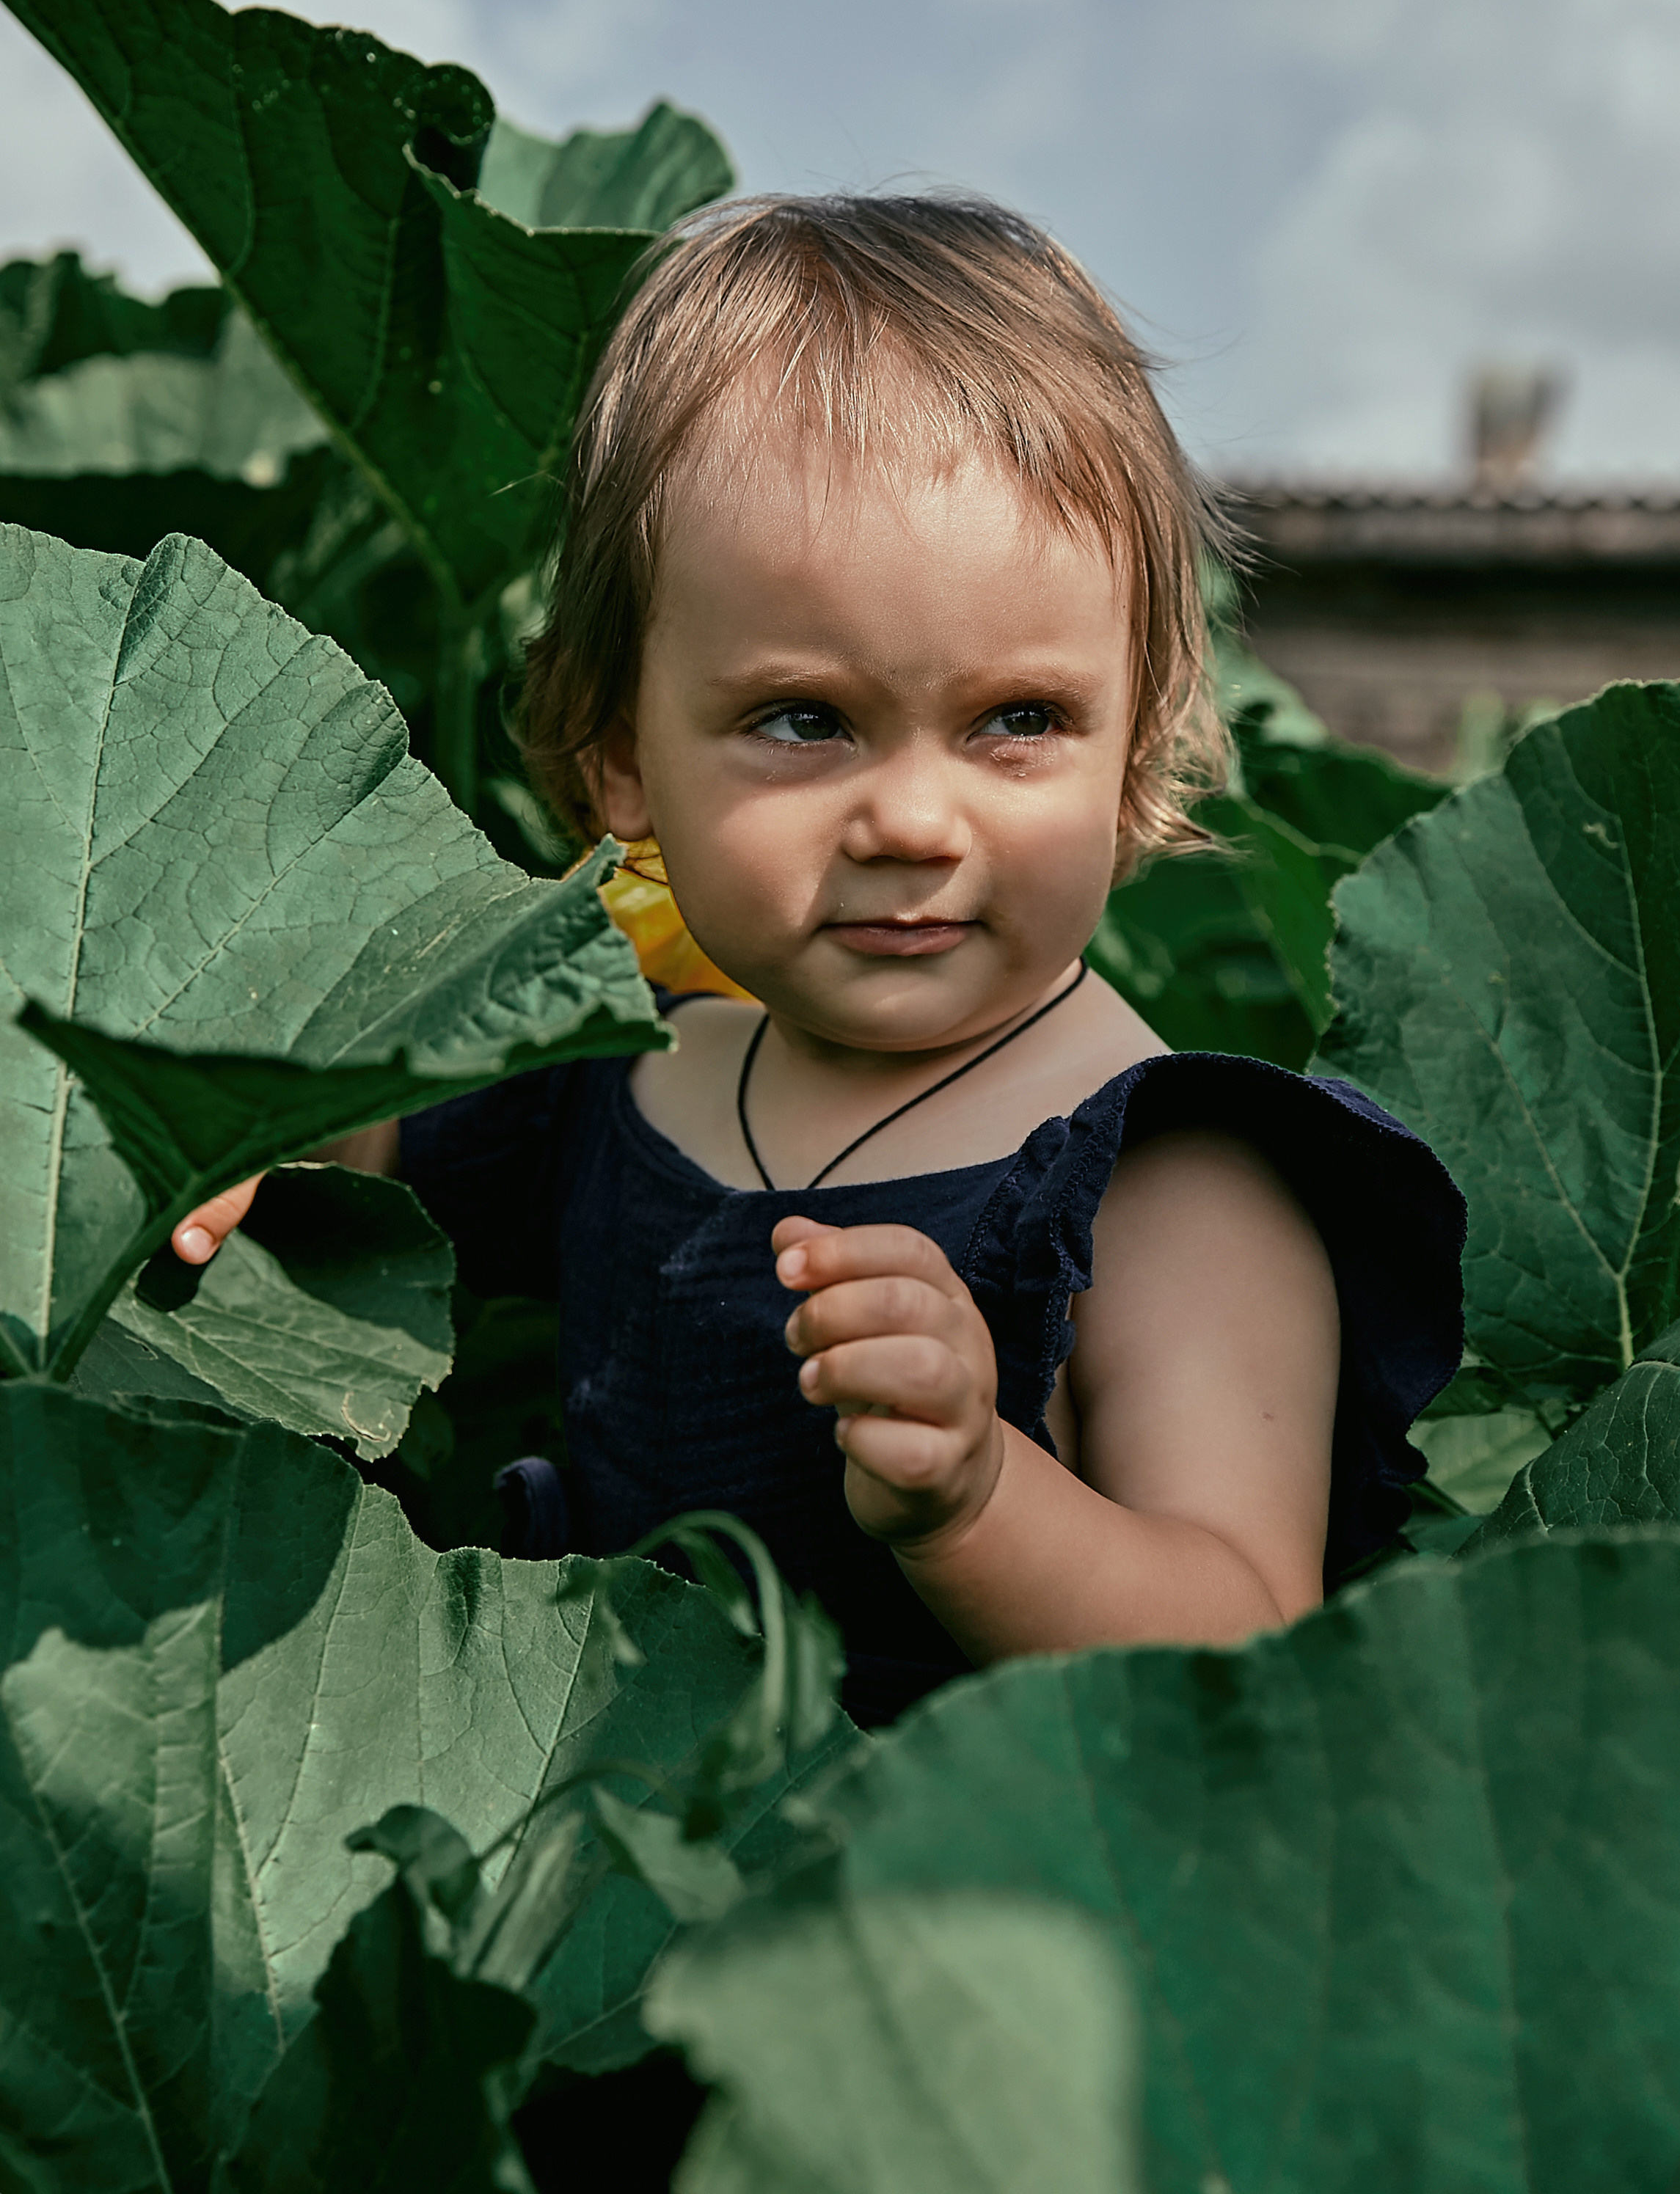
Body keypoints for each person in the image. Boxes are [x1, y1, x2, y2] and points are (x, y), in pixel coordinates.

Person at [172, 194, 1464, 1728]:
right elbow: (359, 1170)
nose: (913, 819)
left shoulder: (1173, 1184)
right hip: (574, 1891)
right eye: (804, 719)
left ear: (1136, 762)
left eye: (1018, 721)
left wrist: (977, 1503)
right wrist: (231, 1156)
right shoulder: (624, 1072)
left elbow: (1243, 1644)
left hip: (932, 1923)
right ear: (618, 760)